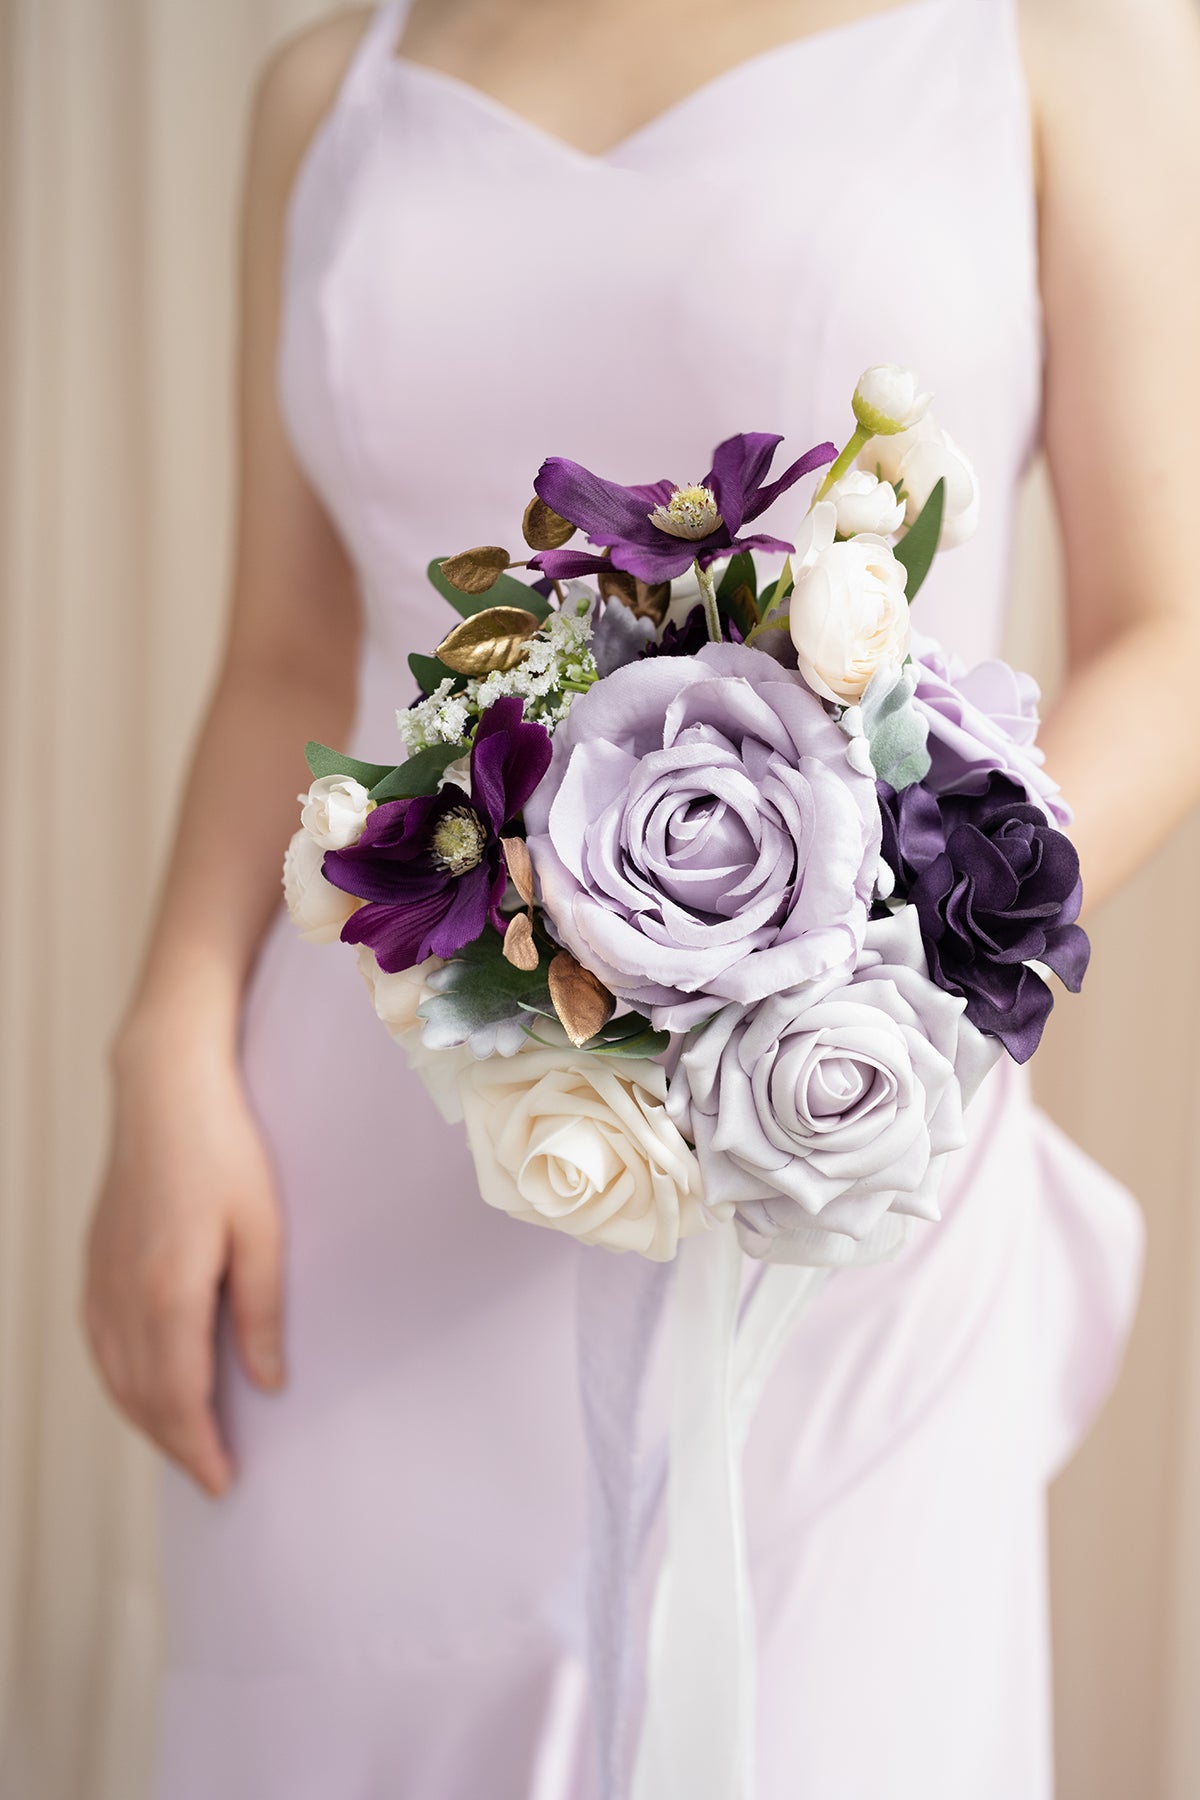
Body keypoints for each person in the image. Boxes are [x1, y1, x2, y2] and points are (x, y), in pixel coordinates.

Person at [83, 1, 1200, 1795]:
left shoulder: (1051, 45)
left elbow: (1172, 639)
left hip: (830, 1152)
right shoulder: (332, 87)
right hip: (366, 1164)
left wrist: (881, 959)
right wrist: (161, 1054)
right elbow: (285, 657)